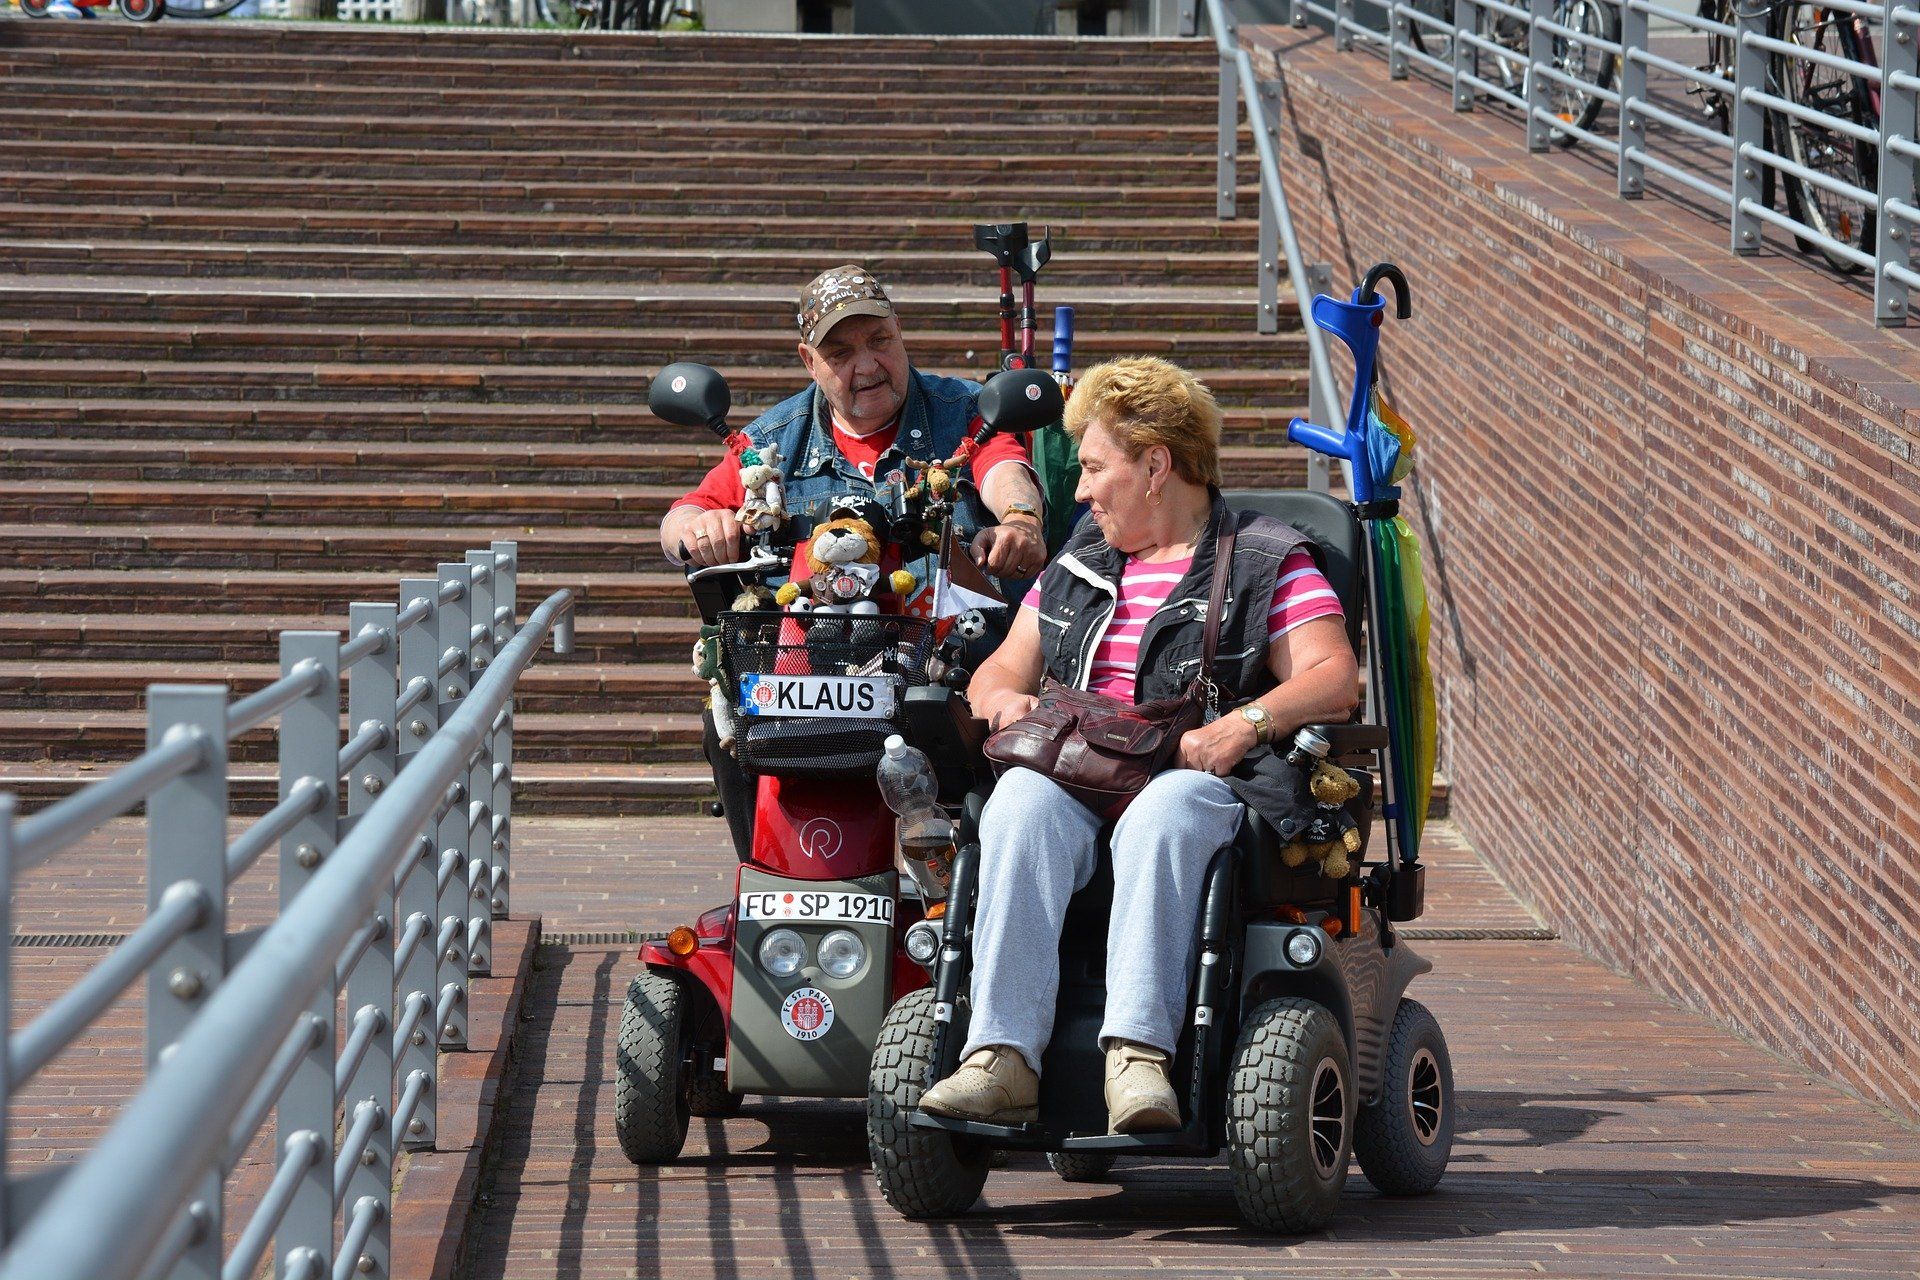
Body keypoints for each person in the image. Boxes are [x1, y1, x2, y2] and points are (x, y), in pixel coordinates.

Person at [917, 356, 1362, 1133]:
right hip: (1076, 766)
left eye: (1093, 467)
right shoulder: (1082, 556)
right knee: (1017, 802)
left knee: (1167, 808)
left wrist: (1244, 725)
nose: (1081, 491)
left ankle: (1137, 1058)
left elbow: (1332, 676)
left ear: (1156, 466)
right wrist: (1000, 699)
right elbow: (998, 672)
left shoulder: (1265, 556)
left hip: (1192, 768)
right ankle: (1001, 1057)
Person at [659, 264, 1049, 859]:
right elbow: (679, 519)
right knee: (729, 719)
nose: (866, 366)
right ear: (808, 362)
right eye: (841, 352)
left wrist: (1020, 523)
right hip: (812, 668)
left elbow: (1002, 468)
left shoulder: (963, 410)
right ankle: (768, 874)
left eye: (879, 342)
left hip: (945, 667)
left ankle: (976, 893)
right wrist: (700, 527)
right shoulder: (775, 442)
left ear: (901, 332)